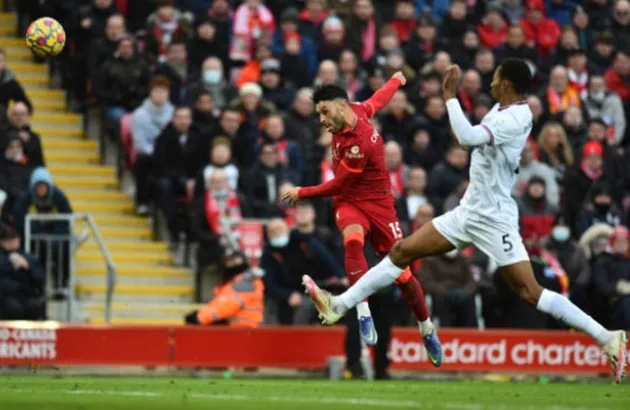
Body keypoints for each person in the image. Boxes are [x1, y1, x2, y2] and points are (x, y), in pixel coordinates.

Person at [300, 58, 628, 382]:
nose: (490, 83)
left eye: (495, 79)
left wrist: (450, 96)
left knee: (530, 291)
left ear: (507, 85)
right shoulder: (502, 111)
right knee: (400, 253)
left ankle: (607, 337)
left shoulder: (514, 117)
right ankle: (339, 304)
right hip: (468, 211)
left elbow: (467, 137)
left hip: (494, 218)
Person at [281, 72, 442, 367]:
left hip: (379, 204)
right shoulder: (354, 110)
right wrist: (396, 81)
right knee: (353, 243)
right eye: (318, 113)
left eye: (324, 111)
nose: (321, 120)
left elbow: (339, 183)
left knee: (403, 276)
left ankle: (426, 328)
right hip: (350, 204)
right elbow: (376, 100)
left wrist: (303, 192)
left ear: (340, 107)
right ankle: (362, 312)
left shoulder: (359, 143)